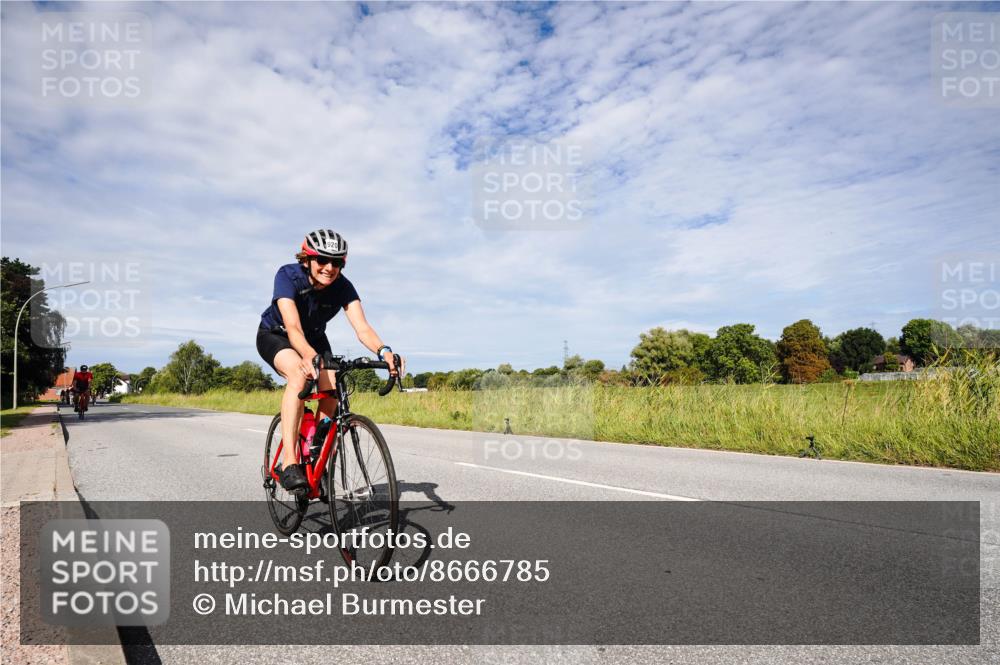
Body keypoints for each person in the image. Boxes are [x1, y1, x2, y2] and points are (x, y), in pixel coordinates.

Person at [257, 230, 403, 492]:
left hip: (314, 339)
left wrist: (384, 351)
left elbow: (362, 328)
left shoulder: (343, 287)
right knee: (299, 375)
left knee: (337, 383)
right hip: (277, 335)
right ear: (307, 259)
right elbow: (293, 327)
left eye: (336, 262)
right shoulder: (288, 275)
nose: (329, 267)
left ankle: (317, 451)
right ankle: (290, 462)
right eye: (322, 260)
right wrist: (308, 355)